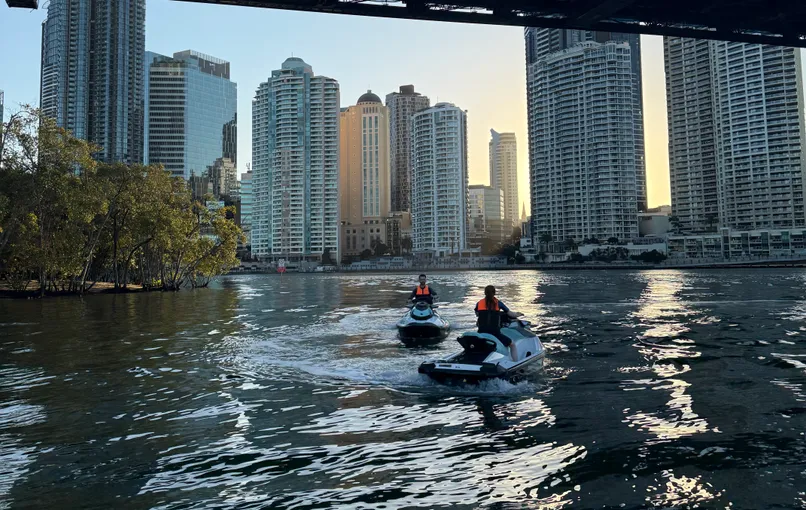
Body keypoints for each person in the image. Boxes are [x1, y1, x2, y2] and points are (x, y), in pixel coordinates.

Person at [475, 285, 519, 360]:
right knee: (512, 345)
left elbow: (477, 314)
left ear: (484, 293)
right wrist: (517, 314)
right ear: (494, 293)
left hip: (481, 332)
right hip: (495, 333)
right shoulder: (498, 303)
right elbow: (510, 313)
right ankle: (516, 362)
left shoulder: (479, 303)